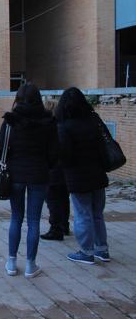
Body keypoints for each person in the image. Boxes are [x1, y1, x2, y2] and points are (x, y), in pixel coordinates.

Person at [0, 83, 58, 278]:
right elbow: (55, 151)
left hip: (15, 174)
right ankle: (31, 265)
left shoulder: (10, 120)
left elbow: (0, 148)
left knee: (16, 217)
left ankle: (11, 262)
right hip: (39, 174)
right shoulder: (49, 121)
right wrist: (46, 164)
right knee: (34, 221)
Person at [55, 87, 110, 264]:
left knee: (83, 214)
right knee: (97, 214)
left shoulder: (64, 127)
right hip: (98, 174)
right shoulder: (94, 121)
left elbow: (65, 155)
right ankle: (102, 249)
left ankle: (86, 251)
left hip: (78, 177)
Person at [40, 98, 70, 241]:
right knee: (64, 198)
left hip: (53, 169)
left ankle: (55, 227)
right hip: (64, 169)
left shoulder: (48, 128)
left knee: (53, 199)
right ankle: (64, 224)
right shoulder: (63, 125)